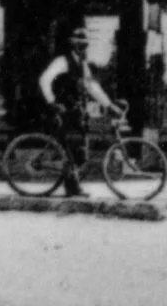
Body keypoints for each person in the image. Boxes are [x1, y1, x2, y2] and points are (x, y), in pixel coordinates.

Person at [35, 29, 117, 196]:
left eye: (85, 45)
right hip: (64, 111)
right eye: (79, 44)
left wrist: (109, 104)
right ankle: (72, 187)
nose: (83, 48)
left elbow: (92, 87)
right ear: (72, 45)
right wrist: (52, 102)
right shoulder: (62, 61)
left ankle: (71, 184)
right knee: (72, 150)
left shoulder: (82, 65)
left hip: (77, 112)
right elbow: (44, 79)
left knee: (80, 152)